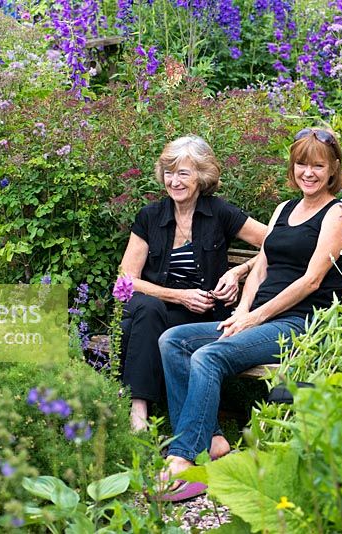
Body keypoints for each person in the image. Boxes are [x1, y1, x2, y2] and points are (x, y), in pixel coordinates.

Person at [156, 127, 342, 501]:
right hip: (260, 317)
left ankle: (183, 459)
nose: (307, 172)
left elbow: (312, 281)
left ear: (332, 170)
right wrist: (242, 310)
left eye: (317, 166)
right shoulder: (284, 209)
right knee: (173, 341)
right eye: (300, 164)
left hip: (301, 323)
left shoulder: (337, 214)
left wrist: (255, 317)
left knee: (209, 355)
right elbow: (261, 267)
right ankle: (212, 440)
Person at [117, 135, 266, 434]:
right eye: (169, 173)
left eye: (183, 173)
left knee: (137, 327)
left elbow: (276, 243)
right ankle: (140, 409)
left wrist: (239, 272)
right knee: (147, 308)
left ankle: (156, 417)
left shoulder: (219, 212)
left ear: (201, 175)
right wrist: (178, 295)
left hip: (200, 314)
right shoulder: (149, 216)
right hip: (159, 306)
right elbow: (125, 280)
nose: (174, 181)